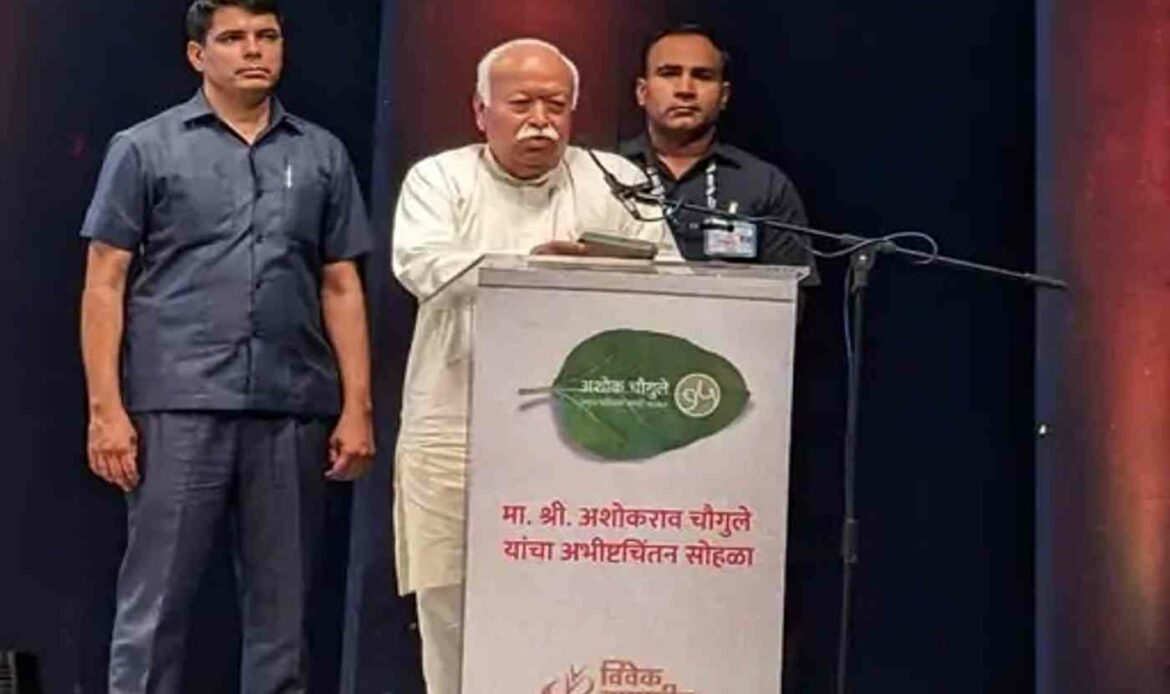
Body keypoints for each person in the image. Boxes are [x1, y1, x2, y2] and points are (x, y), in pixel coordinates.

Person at [78, 1, 376, 691]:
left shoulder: (321, 153)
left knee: (283, 617)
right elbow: (104, 282)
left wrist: (357, 406)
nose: (254, 50)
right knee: (155, 607)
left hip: (290, 403)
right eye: (234, 37)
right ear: (197, 54)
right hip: (178, 402)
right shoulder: (144, 147)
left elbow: (340, 284)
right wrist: (105, 409)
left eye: (267, 36)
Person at [390, 37, 676, 694]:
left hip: (588, 427)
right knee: (451, 602)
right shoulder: (439, 178)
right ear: (480, 111)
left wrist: (602, 274)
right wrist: (533, 267)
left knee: (571, 596)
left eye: (556, 105)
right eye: (521, 104)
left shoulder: (618, 180)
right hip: (457, 422)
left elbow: (672, 278)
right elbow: (422, 266)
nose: (541, 121)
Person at [620, 24, 817, 279]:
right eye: (669, 74)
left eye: (702, 76)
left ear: (724, 96)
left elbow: (793, 291)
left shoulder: (764, 184)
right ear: (642, 92)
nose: (685, 89)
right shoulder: (604, 173)